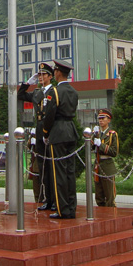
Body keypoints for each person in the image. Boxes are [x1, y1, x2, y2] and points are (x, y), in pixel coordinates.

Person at [42, 59, 79, 219]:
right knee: (70, 171)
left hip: (58, 132)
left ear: (57, 72)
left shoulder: (54, 92)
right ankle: (71, 207)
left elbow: (49, 115)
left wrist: (45, 132)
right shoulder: (73, 91)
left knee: (59, 173)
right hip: (71, 130)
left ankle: (62, 208)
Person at [17, 62, 54, 210]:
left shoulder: (53, 91)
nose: (40, 77)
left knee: (51, 166)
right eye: (39, 74)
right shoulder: (37, 92)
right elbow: (20, 95)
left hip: (49, 129)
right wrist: (27, 84)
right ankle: (46, 198)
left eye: (43, 74)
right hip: (39, 130)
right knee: (42, 167)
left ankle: (53, 198)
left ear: (50, 76)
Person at [92, 108, 119, 207]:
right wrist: (94, 136)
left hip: (107, 166)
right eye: (99, 118)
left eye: (103, 118)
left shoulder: (112, 134)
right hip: (97, 166)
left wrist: (101, 145)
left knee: (109, 197)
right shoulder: (98, 133)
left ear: (109, 120)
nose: (101, 120)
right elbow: (91, 147)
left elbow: (114, 152)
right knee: (99, 196)